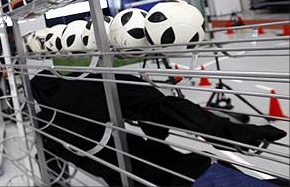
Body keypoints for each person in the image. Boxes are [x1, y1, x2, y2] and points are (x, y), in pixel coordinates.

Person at [31, 71, 286, 186]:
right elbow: (164, 109)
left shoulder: (44, 127)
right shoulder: (94, 85)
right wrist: (235, 134)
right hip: (179, 172)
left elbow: (50, 166)